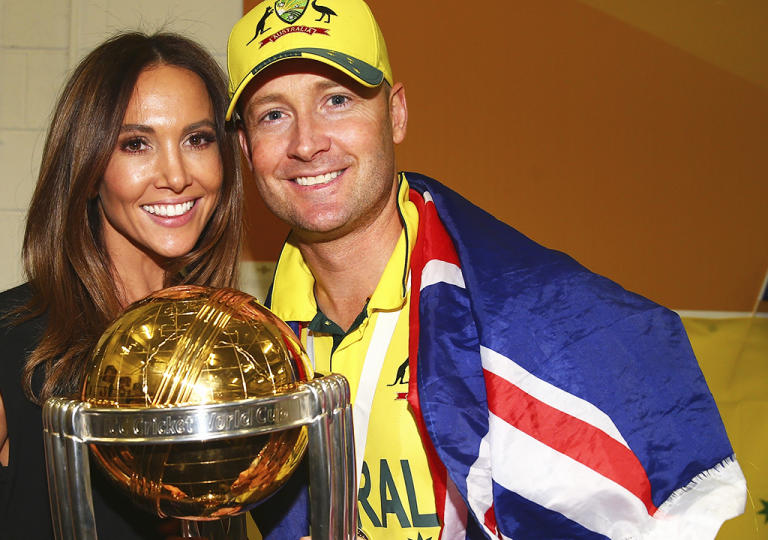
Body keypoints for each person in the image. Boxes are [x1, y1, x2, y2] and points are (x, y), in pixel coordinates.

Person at [225, 1, 747, 538]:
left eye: (337, 100)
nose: (307, 142)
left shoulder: (526, 322)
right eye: (273, 114)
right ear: (245, 147)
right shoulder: (242, 356)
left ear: (396, 114)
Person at [0, 32, 242, 539]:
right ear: (90, 171)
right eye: (136, 144)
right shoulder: (2, 343)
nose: (176, 174)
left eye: (197, 140)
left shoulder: (234, 346)